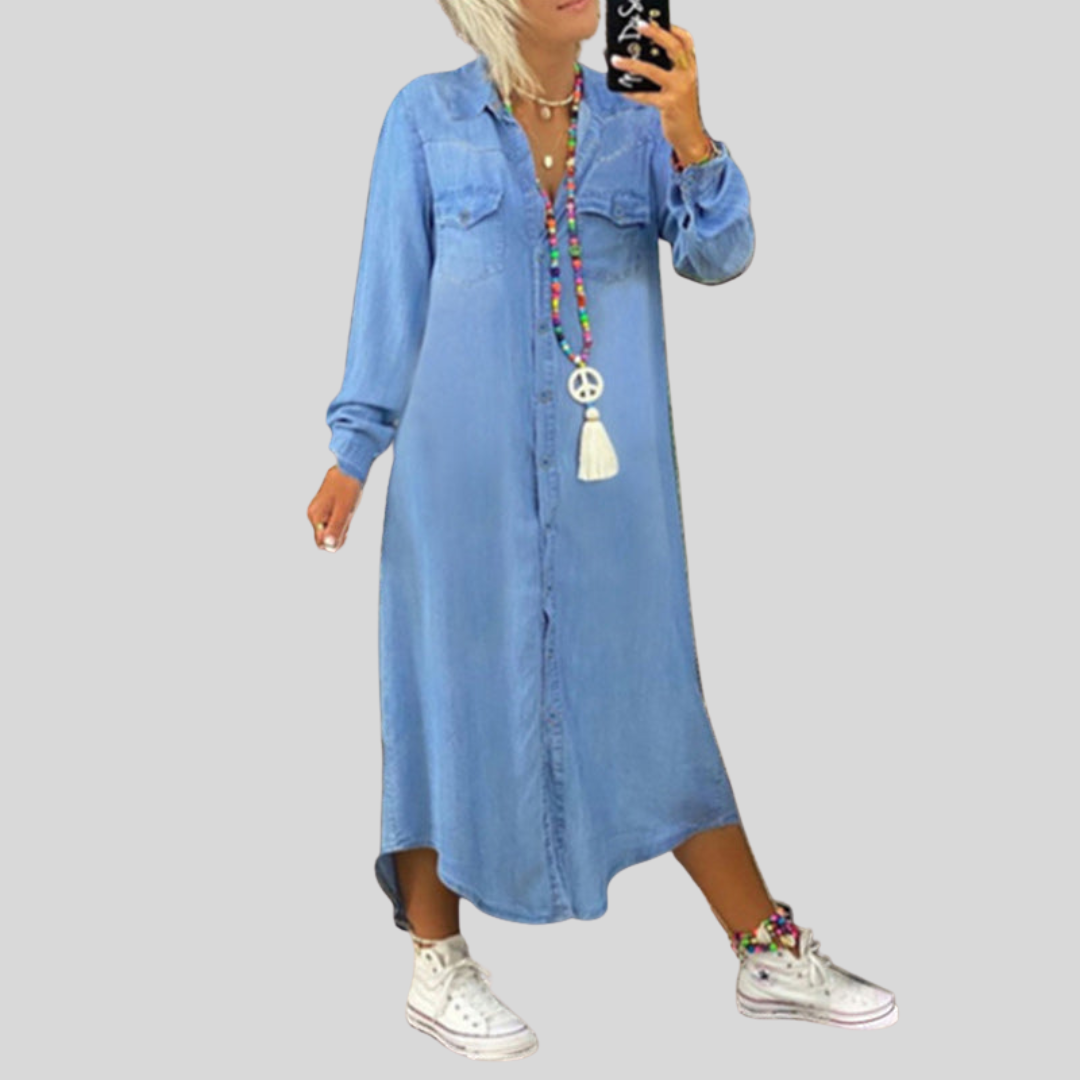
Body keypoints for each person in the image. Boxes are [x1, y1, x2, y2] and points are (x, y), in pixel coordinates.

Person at [307, 0, 897, 1060]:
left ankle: (765, 949)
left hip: (611, 492)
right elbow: (390, 292)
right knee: (447, 693)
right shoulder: (424, 119)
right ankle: (436, 960)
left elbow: (720, 254)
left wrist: (690, 131)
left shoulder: (637, 123)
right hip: (460, 483)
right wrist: (355, 449)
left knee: (650, 696)